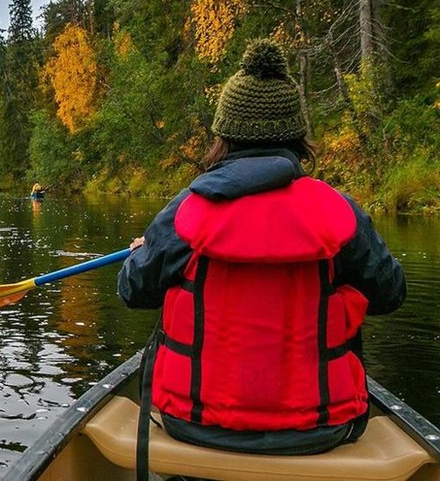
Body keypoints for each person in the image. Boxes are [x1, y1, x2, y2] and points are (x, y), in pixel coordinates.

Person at [118, 39, 406, 458]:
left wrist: (142, 253)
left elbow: (133, 290)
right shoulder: (339, 213)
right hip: (321, 429)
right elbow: (390, 293)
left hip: (193, 423)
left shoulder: (186, 212)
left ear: (224, 137)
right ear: (296, 137)